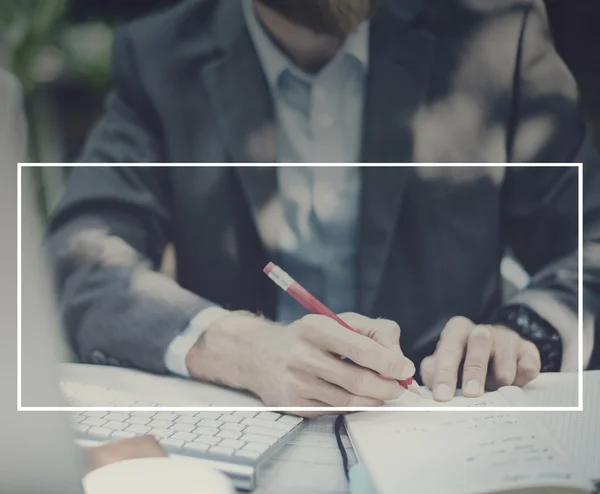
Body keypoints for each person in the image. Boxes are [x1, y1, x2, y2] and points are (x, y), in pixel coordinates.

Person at [48, 0, 600, 411]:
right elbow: (82, 261)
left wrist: (524, 330)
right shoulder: (157, 57)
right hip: (251, 429)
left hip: (448, 415)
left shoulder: (497, 34)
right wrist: (241, 348)